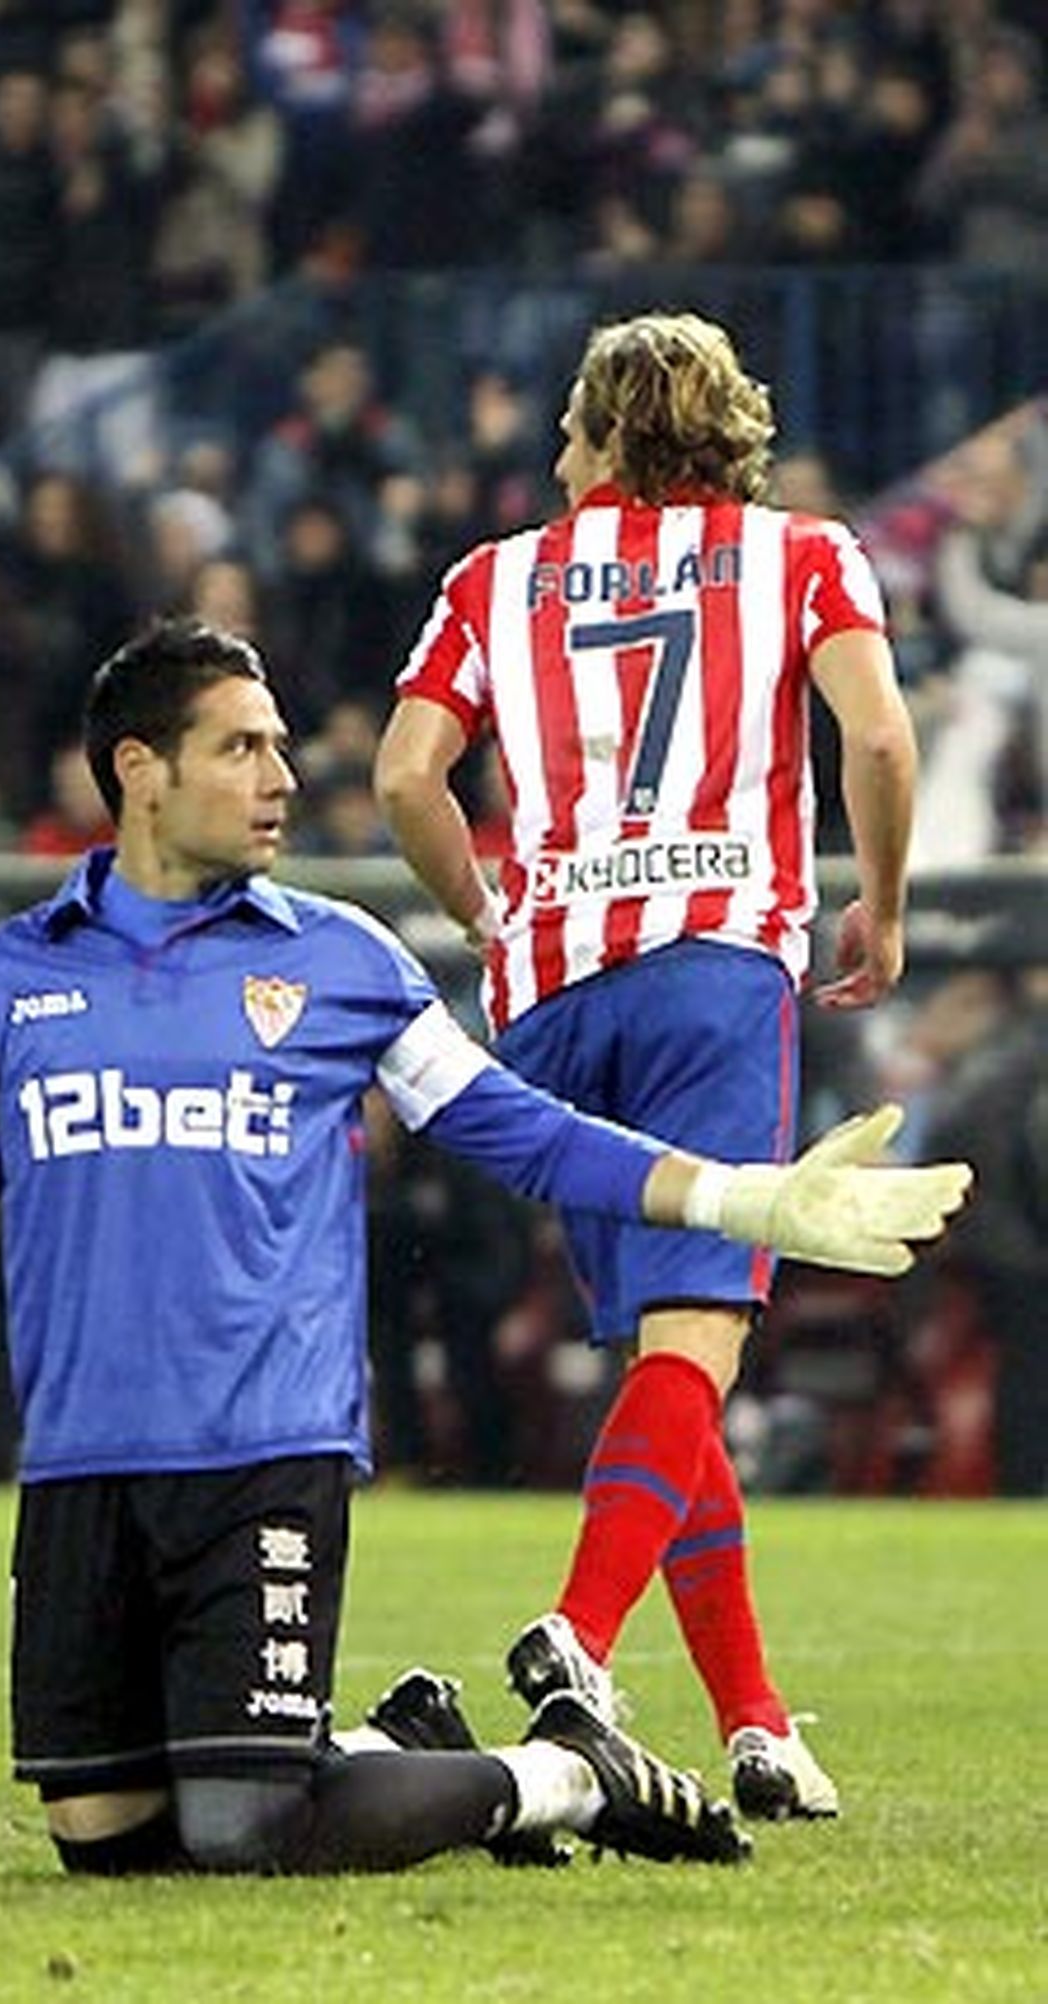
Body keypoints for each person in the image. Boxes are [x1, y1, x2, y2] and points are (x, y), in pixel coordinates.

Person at [0, 619, 966, 1877]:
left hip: (265, 1449)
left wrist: (739, 1200)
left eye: (278, 747)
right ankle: (408, 1745)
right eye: (241, 748)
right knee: (109, 1841)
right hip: (81, 1462)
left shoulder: (340, 961)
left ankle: (564, 1773)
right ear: (141, 770)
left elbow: (519, 1133)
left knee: (250, 1822)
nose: (281, 778)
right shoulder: (6, 981)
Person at [373, 311, 923, 1822]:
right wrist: (883, 902)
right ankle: (583, 1632)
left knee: (661, 1369)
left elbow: (408, 776)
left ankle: (758, 1723)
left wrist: (484, 912)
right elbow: (879, 743)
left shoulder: (492, 580)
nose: (557, 459)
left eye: (571, 431)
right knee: (697, 1345)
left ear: (616, 433)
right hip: (713, 971)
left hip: (553, 999)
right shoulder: (803, 557)